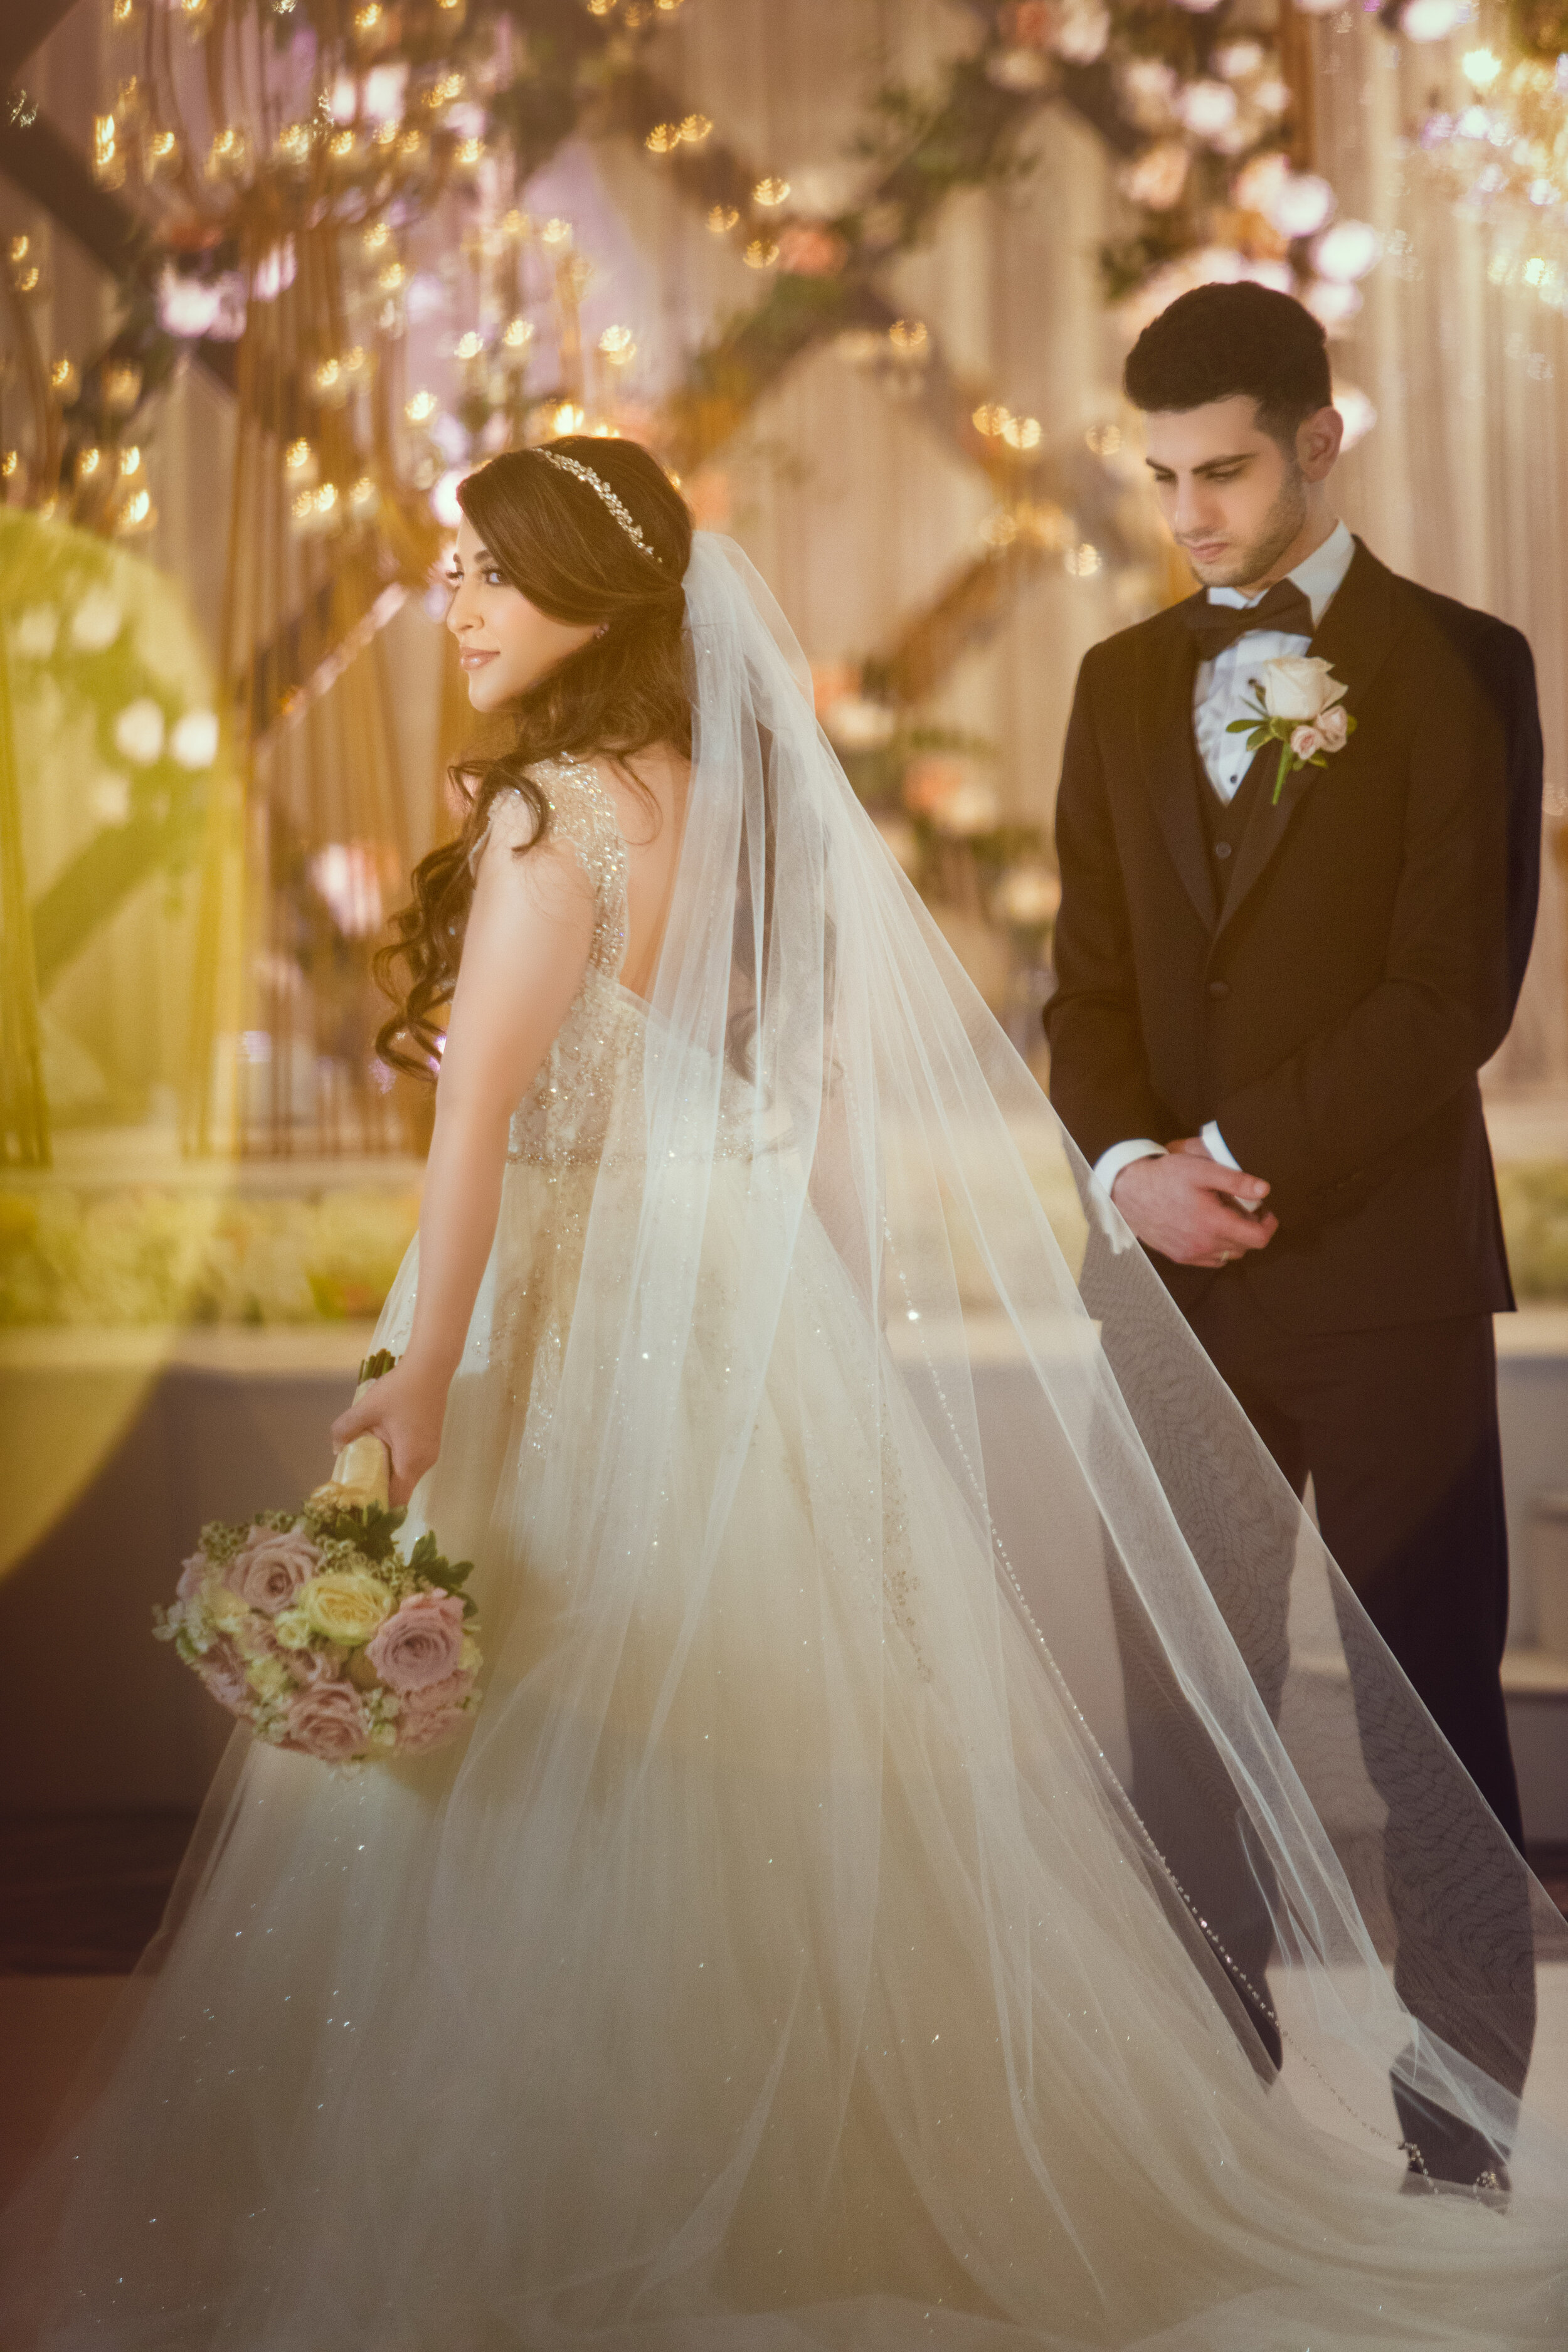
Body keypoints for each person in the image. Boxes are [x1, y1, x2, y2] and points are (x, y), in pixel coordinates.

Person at [4, 437, 1565, 2349]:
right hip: (740, 1311)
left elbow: (480, 1123)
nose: (453, 606)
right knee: (737, 1758)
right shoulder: (740, 804)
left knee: (516, 1743)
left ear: (590, 596)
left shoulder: (551, 811)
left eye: (490, 572)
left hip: (563, 1309)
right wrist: (826, 1360)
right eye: (454, 572)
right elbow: (802, 1120)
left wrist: (420, 1368)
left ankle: (574, 2200)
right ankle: (805, 2176)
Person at [1046, 281, 1544, 2188]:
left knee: (1429, 1712)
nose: (1189, 514)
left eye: (1226, 472)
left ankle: (1463, 2123)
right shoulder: (1114, 684)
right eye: (1163, 475)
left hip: (1386, 1277)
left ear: (1319, 443)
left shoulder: (1464, 665)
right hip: (1166, 1289)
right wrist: (1128, 1172)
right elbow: (1086, 989)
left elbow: (1449, 995)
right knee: (1182, 1709)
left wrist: (1234, 1153)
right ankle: (1204, 2110)